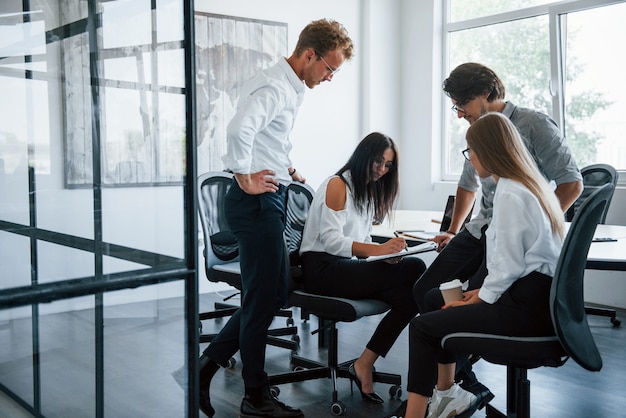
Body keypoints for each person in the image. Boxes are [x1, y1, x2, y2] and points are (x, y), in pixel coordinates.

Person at [196, 19, 354, 418]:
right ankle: (255, 396)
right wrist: (244, 175)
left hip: (270, 197)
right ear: (308, 55)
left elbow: (269, 137)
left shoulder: (288, 86)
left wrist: (287, 169)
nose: (330, 77)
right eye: (329, 68)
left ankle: (207, 367)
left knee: (271, 293)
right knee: (264, 299)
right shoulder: (276, 87)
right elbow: (239, 131)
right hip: (257, 205)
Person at [411, 62, 582, 403]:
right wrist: (453, 230)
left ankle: (455, 375)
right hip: (483, 230)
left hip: (513, 237)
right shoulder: (479, 131)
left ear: (485, 94)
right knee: (428, 291)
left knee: (469, 298)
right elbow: (467, 185)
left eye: (463, 104)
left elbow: (571, 183)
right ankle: (455, 381)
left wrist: (539, 229)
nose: (460, 113)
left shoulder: (530, 125)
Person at [392, 112, 566, 418]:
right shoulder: (528, 184)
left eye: (470, 151)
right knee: (435, 298)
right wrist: (480, 293)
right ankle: (448, 394)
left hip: (524, 310)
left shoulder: (511, 193)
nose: (470, 159)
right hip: (534, 299)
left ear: (488, 150)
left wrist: (482, 296)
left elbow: (508, 263)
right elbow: (512, 264)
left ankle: (416, 414)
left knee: (421, 328)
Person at [299, 132, 426, 403]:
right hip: (321, 269)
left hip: (345, 266)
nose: (382, 169)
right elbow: (332, 242)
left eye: (388, 165)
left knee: (408, 298)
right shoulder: (337, 184)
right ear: (364, 157)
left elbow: (363, 240)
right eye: (378, 161)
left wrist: (383, 258)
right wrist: (378, 251)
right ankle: (440, 355)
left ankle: (364, 363)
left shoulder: (366, 191)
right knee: (415, 267)